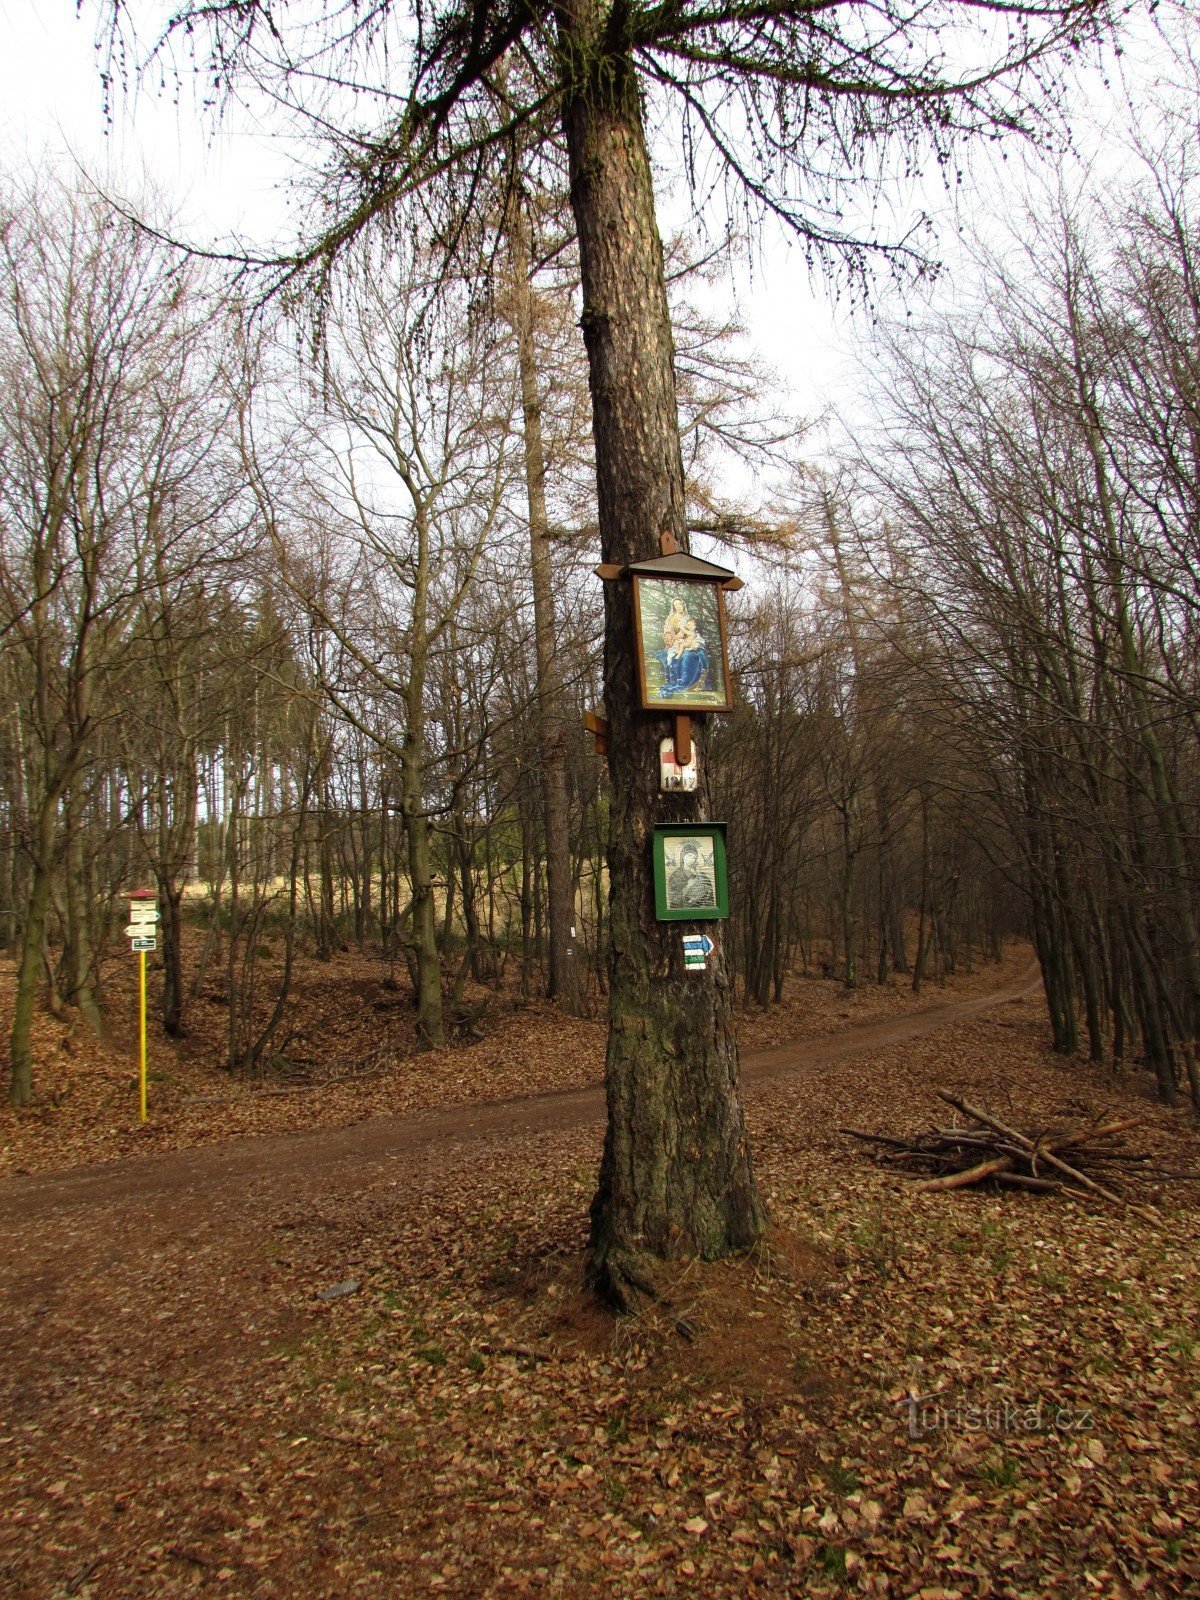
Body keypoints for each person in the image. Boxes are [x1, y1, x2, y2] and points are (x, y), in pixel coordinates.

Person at [667, 842, 715, 909]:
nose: (692, 859)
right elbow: (673, 901)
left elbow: (710, 899)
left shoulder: (702, 876)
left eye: (694, 857)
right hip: (681, 912)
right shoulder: (675, 876)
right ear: (682, 857)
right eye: (689, 855)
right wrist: (689, 885)